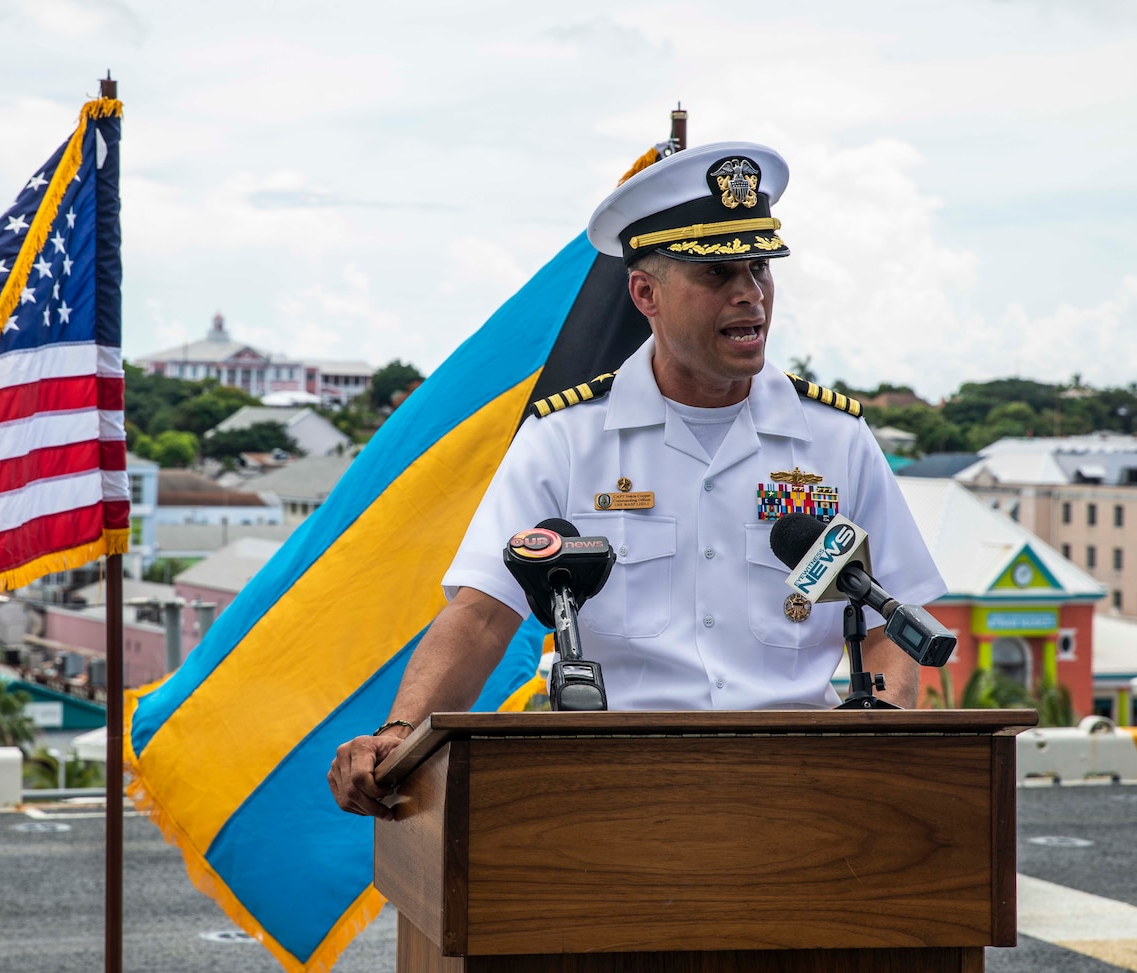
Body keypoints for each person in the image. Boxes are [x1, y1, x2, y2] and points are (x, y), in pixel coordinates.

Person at [328, 142, 947, 819]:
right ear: (644, 292)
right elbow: (481, 614)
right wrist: (400, 729)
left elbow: (893, 615)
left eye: (760, 267)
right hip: (617, 793)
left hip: (801, 789)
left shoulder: (836, 438)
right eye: (717, 272)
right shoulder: (566, 438)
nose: (749, 292)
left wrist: (881, 736)